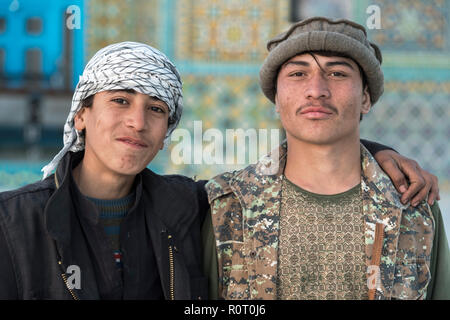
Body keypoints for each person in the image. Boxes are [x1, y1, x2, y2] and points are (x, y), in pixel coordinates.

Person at [203, 17, 450, 300]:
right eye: (298, 74)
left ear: (366, 99)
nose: (316, 90)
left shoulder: (413, 206)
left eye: (337, 74)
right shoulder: (228, 205)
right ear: (276, 99)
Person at [0, 42, 209, 299]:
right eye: (120, 100)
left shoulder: (194, 209)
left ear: (166, 132)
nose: (138, 122)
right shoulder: (11, 223)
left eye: (156, 109)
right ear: (80, 116)